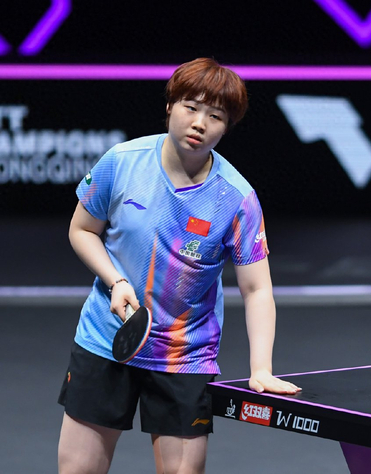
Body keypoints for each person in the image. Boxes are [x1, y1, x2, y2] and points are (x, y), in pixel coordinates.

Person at [57, 57, 300, 474]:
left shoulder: (236, 198)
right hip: (107, 339)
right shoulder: (123, 161)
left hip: (184, 355)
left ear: (227, 127)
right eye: (191, 107)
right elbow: (81, 230)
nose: (199, 123)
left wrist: (261, 368)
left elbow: (257, 289)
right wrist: (115, 280)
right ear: (170, 106)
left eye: (215, 116)